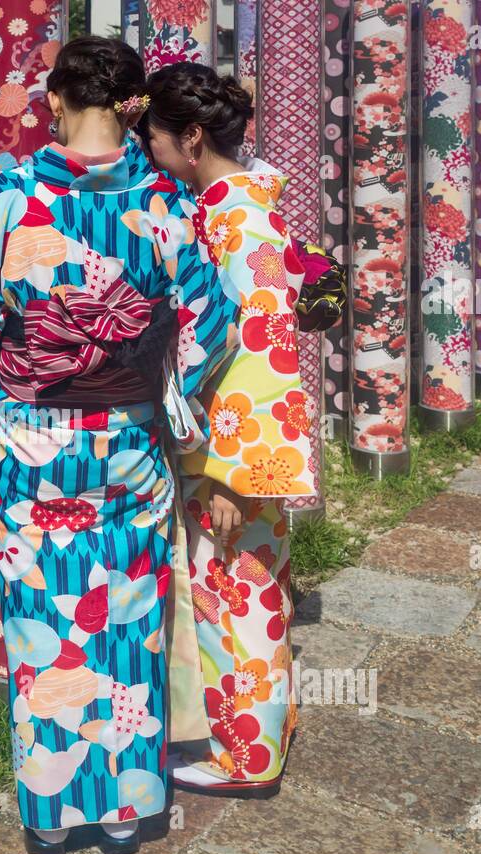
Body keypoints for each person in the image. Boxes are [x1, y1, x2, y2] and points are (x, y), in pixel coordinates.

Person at [0, 37, 236, 854]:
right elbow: (212, 324)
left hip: (34, 444)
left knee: (43, 623)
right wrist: (164, 391)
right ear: (132, 105)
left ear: (59, 100)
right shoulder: (167, 202)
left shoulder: (9, 196)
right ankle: (130, 809)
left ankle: (54, 817)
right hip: (128, 441)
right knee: (130, 619)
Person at [136, 63, 317, 795]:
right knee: (246, 588)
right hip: (226, 436)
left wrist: (231, 473)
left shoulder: (236, 217)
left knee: (238, 595)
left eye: (152, 137)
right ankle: (263, 728)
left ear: (190, 136)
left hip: (236, 446)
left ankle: (248, 758)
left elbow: (267, 350)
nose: (147, 151)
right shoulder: (237, 202)